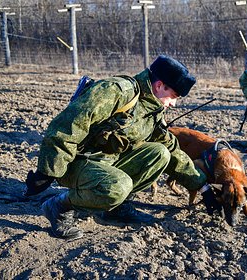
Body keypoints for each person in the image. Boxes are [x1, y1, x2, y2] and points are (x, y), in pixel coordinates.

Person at [24, 55, 222, 241]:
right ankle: (60, 206)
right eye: (173, 96)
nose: (174, 104)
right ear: (160, 85)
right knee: (118, 186)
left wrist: (201, 186)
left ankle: (115, 210)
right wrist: (47, 171)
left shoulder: (152, 108)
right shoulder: (117, 91)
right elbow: (68, 125)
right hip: (78, 162)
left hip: (107, 161)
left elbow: (170, 148)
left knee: (160, 154)